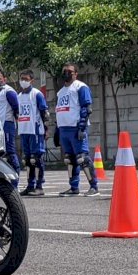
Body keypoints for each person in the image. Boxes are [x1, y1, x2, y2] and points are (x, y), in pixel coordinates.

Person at [54, 63, 99, 197]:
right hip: (64, 129)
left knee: (82, 158)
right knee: (70, 159)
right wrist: (57, 130)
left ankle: (94, 186)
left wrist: (82, 127)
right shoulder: (60, 92)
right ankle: (74, 187)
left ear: (75, 74)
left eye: (69, 71)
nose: (66, 73)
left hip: (75, 128)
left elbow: (86, 107)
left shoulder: (80, 87)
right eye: (64, 71)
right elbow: (59, 111)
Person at [17, 69, 49, 196]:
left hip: (35, 130)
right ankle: (30, 185)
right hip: (24, 130)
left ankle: (39, 186)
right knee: (27, 160)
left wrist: (46, 130)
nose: (23, 81)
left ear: (31, 80)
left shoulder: (37, 94)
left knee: (36, 159)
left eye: (26, 79)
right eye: (22, 79)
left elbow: (44, 113)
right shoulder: (18, 96)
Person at [0, 68, 20, 187]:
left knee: (10, 153)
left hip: (7, 124)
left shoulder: (9, 92)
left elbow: (17, 109)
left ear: (4, 79)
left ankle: (15, 183)